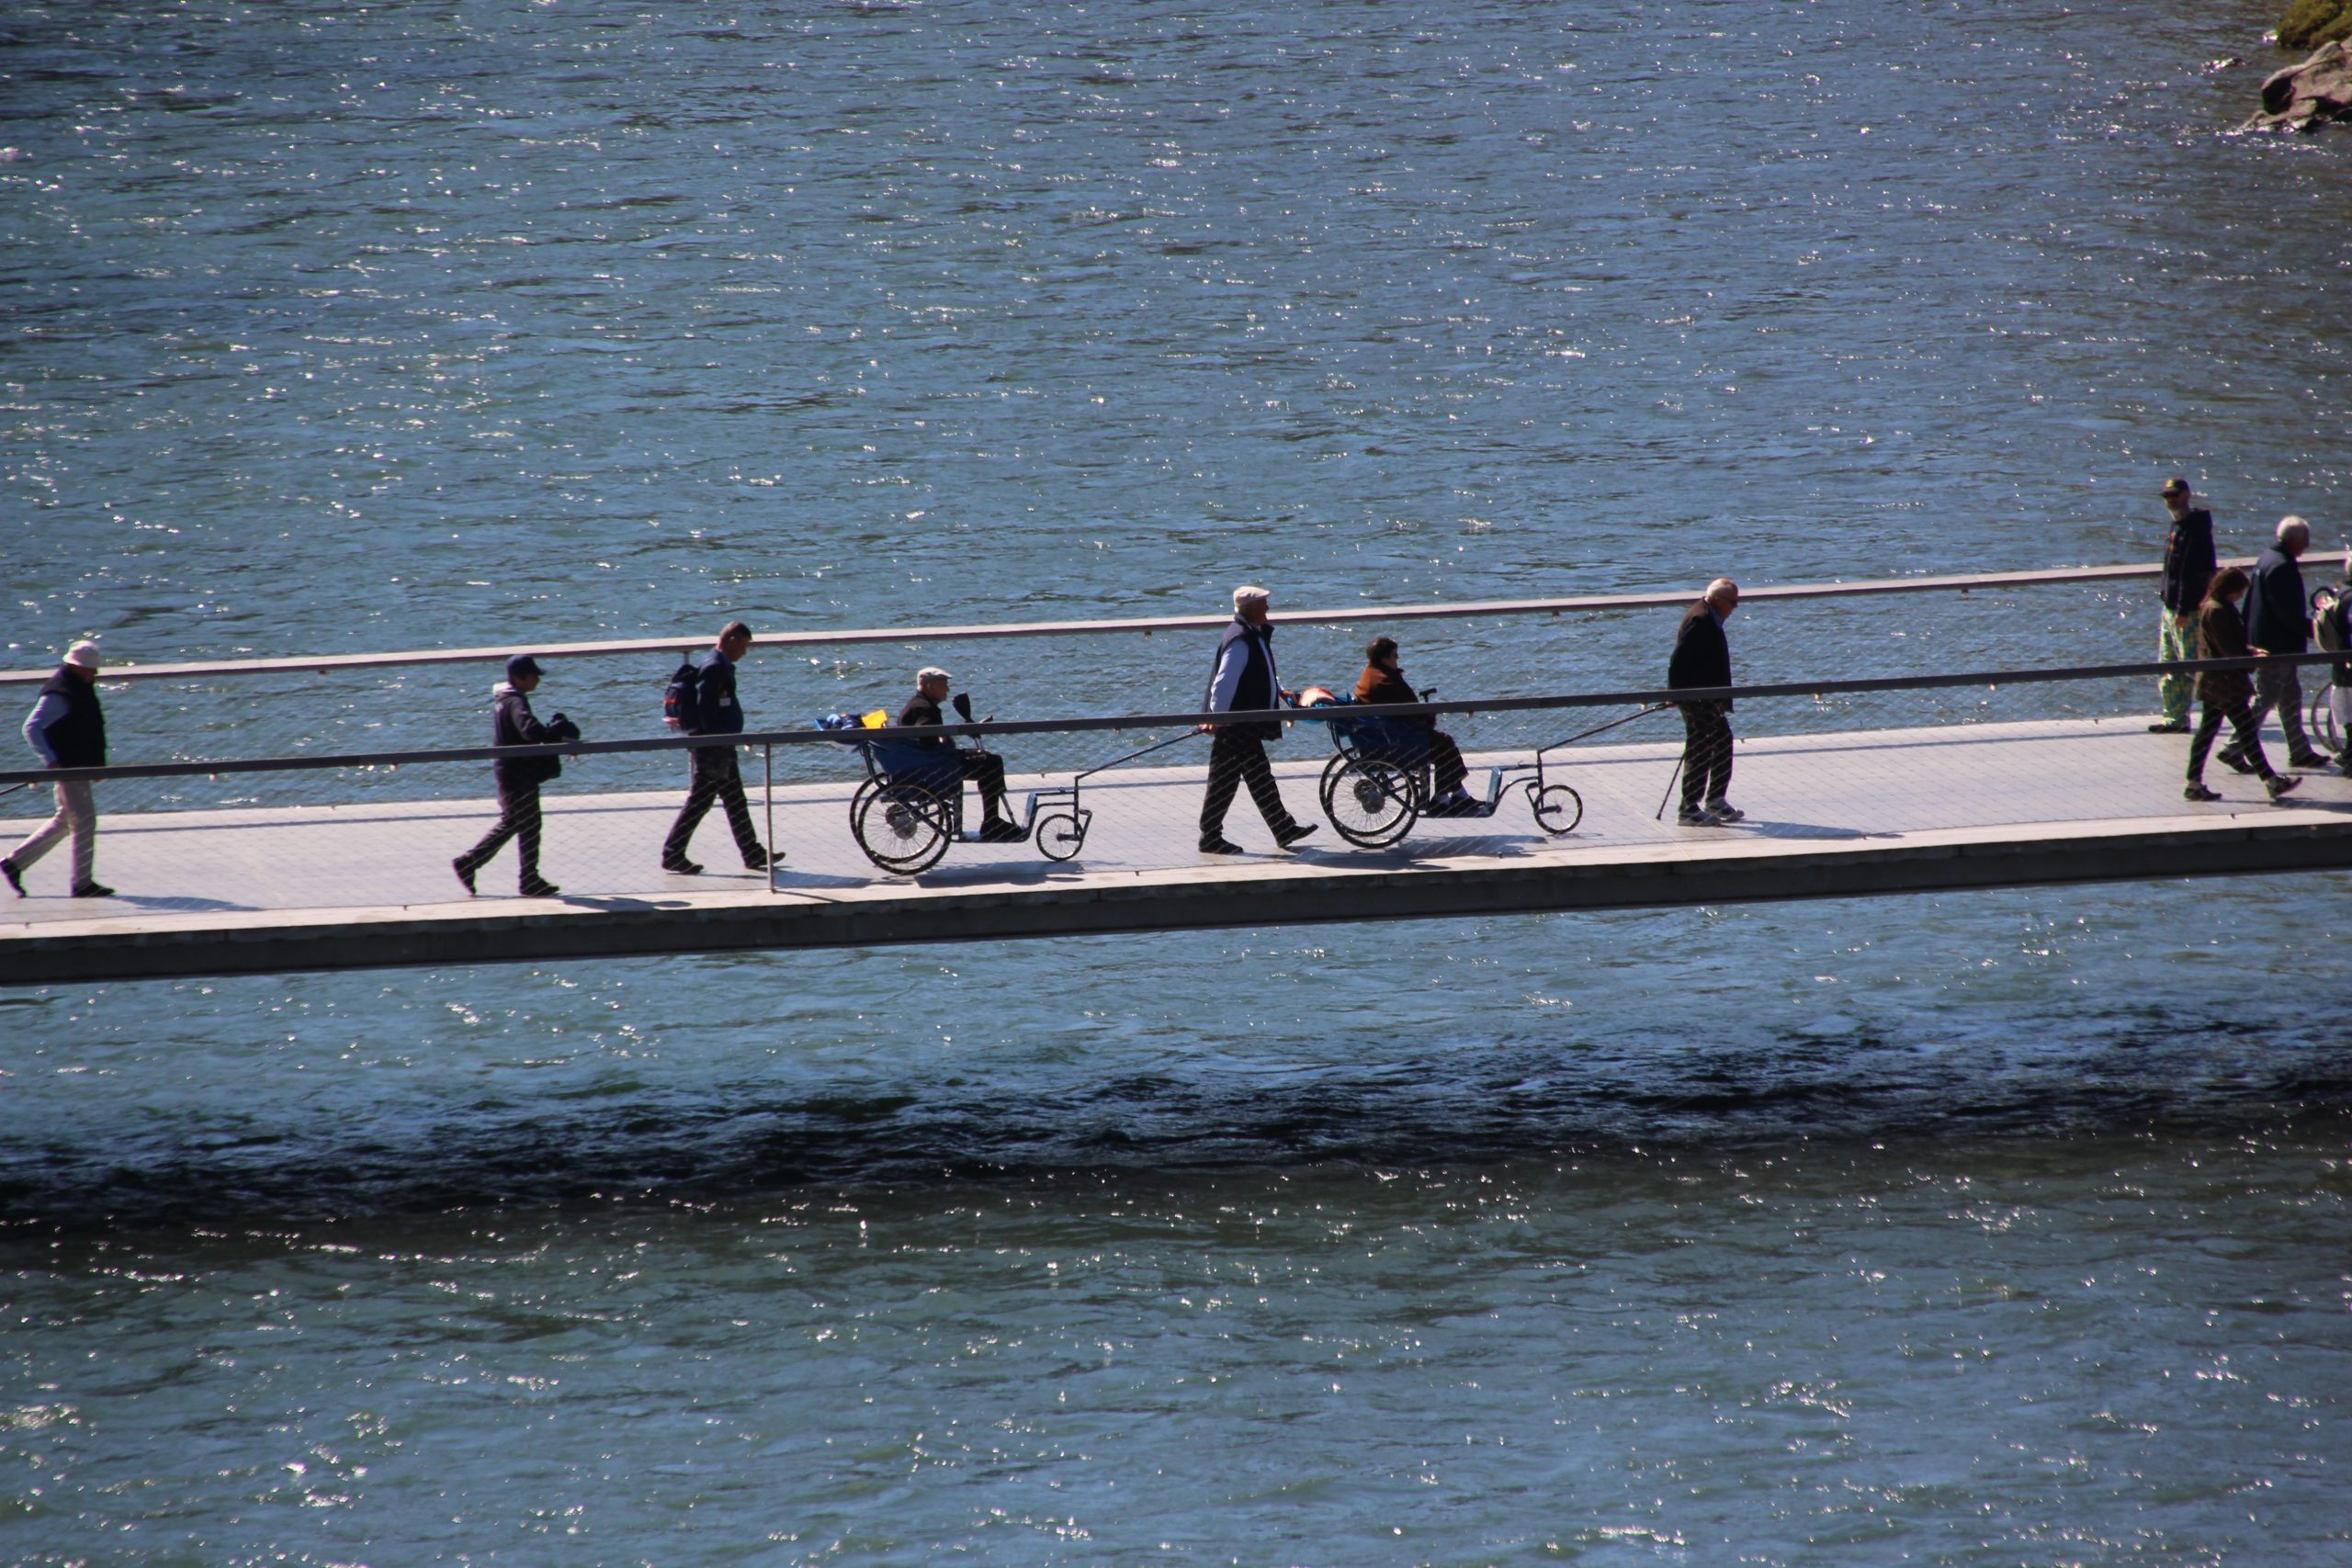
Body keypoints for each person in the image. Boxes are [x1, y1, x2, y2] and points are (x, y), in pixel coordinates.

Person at [1198, 585, 1316, 854]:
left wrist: (1279, 691)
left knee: (1255, 776)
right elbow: (1223, 683)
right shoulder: (1240, 638)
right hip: (1236, 722)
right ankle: (1211, 837)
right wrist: (1218, 718)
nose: (1268, 608)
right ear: (1250, 608)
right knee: (1225, 781)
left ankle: (1281, 827)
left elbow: (1259, 671)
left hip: (1242, 722)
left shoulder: (1251, 634)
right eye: (1264, 604)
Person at [453, 654, 577, 897]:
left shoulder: (505, 699)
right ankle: (480, 865)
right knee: (525, 824)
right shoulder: (515, 702)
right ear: (519, 678)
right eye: (534, 676)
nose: (537, 681)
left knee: (519, 822)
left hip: (510, 771)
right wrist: (553, 731)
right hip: (518, 774)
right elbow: (529, 731)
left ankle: (516, 875)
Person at [661, 620, 775, 874]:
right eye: (743, 646)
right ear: (732, 640)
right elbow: (706, 709)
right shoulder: (714, 667)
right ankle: (672, 854)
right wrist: (717, 741)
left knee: (735, 799)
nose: (744, 653)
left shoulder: (720, 665)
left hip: (720, 744)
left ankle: (752, 852)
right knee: (700, 801)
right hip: (713, 747)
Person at [3, 640, 112, 899]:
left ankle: (14, 863)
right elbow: (31, 727)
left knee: (66, 821)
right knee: (85, 821)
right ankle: (82, 884)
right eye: (90, 669)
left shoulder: (77, 686)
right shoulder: (60, 693)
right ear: (76, 667)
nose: (94, 673)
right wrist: (51, 761)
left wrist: (96, 764)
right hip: (68, 768)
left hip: (76, 767)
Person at [2185, 567, 2299, 804]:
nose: (2240, 596)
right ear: (2231, 589)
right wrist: (2250, 659)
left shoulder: (2213, 606)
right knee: (2246, 732)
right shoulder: (2217, 610)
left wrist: (2250, 650)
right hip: (2225, 684)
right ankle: (2271, 781)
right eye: (2239, 592)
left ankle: (2193, 783)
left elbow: (2226, 644)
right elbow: (2229, 649)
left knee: (2209, 732)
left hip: (2215, 682)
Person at [2235, 515, 2333, 771]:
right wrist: (2318, 630)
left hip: (2266, 640)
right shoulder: (2282, 567)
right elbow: (2287, 614)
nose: (2307, 547)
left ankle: (2300, 751)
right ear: (2295, 540)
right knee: (2266, 697)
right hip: (2276, 646)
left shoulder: (2267, 558)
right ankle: (2234, 747)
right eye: (2306, 541)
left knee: (2291, 697)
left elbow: (2252, 605)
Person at [899, 666, 1023, 841]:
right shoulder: (924, 708)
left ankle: (992, 821)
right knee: (991, 763)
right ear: (930, 686)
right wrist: (948, 741)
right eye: (944, 685)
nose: (947, 689)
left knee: (985, 758)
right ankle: (991, 822)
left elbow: (929, 742)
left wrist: (962, 750)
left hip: (928, 762)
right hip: (935, 768)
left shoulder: (918, 704)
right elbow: (928, 738)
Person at [1355, 636, 1473, 812]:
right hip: (1399, 742)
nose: (1398, 658)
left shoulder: (1371, 674)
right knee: (1445, 744)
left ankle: (1459, 795)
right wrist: (1429, 716)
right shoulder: (1385, 681)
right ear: (1384, 658)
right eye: (1395, 655)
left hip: (1389, 734)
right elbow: (1409, 710)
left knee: (1442, 742)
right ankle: (1442, 799)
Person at [1667, 578, 1743, 825]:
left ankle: (1715, 800)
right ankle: (1688, 809)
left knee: (1721, 740)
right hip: (1695, 698)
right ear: (1718, 600)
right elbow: (1679, 660)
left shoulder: (1710, 618)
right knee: (1700, 747)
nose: (1734, 608)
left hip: (1707, 697)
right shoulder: (1699, 620)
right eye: (1733, 603)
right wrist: (1675, 694)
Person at [2151, 477, 2217, 733]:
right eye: (2167, 496)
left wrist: (2182, 608)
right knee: (2168, 666)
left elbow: (2195, 574)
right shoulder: (2176, 525)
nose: (2170, 500)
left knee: (2192, 667)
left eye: (2175, 495)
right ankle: (2174, 719)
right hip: (2170, 608)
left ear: (2187, 495)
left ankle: (2221, 712)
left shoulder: (2195, 530)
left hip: (2185, 612)